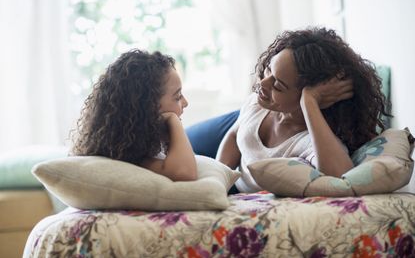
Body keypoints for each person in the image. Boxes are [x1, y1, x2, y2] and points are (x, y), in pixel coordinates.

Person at [216, 27, 391, 193]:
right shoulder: (257, 100)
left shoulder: (308, 140)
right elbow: (233, 135)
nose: (262, 83)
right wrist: (216, 181)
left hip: (242, 184)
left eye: (278, 85)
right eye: (269, 69)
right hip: (231, 133)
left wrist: (309, 102)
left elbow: (342, 178)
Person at [71, 49, 197, 181]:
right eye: (177, 97)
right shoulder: (128, 158)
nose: (185, 103)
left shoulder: (137, 148)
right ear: (149, 106)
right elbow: (185, 172)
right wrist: (173, 120)